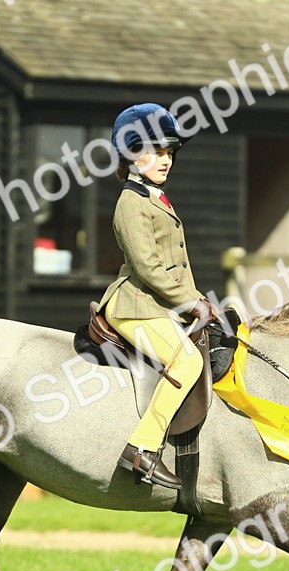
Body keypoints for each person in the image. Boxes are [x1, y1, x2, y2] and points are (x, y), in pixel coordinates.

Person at [96, 103, 219, 490]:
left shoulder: (154, 197)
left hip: (155, 302)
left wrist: (200, 300)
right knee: (184, 363)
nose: (166, 160)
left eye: (170, 152)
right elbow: (149, 268)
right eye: (156, 151)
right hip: (133, 306)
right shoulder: (131, 203)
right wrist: (192, 301)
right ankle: (143, 449)